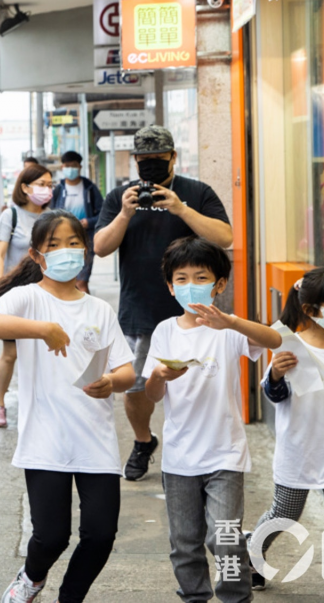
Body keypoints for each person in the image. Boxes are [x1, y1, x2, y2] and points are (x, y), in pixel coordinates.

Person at [0, 210, 136, 603]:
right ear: (37, 255)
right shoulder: (27, 298)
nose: (66, 251)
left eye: (74, 243)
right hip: (45, 438)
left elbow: (127, 372)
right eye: (54, 245)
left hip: (94, 438)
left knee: (100, 534)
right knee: (51, 535)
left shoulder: (99, 309)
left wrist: (111, 382)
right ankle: (31, 578)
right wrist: (41, 328)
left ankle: (70, 597)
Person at [142, 237, 281, 603]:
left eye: (200, 277)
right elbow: (153, 396)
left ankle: (235, 596)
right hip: (179, 457)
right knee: (185, 542)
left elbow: (274, 339)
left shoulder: (229, 329)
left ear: (219, 284)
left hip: (225, 454)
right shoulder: (165, 332)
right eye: (182, 279)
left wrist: (232, 321)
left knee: (225, 536)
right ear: (171, 287)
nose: (191, 286)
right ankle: (194, 596)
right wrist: (159, 376)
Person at [94, 125, 232, 481]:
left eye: (158, 159)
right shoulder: (120, 197)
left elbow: (225, 237)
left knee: (200, 382)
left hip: (196, 311)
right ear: (136, 161)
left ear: (173, 157)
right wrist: (125, 214)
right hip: (139, 310)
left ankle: (201, 447)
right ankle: (143, 441)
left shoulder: (196, 193)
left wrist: (182, 210)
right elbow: (100, 247)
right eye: (144, 161)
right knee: (136, 387)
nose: (151, 166)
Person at [249, 268, 324, 601]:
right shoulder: (288, 348)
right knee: (284, 514)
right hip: (298, 451)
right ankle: (251, 553)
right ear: (309, 309)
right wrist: (277, 376)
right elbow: (273, 395)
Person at [0, 163, 52, 428]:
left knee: (44, 350)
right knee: (11, 352)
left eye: (50, 185)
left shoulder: (53, 217)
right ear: (25, 187)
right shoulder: (10, 216)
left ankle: (42, 401)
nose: (46, 190)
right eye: (41, 184)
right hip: (15, 293)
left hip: (47, 293)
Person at [51, 151, 103, 294]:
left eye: (73, 165)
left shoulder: (89, 188)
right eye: (67, 165)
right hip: (61, 242)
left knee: (81, 283)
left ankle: (87, 314)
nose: (70, 169)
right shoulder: (58, 189)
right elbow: (50, 214)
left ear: (80, 167)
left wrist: (88, 222)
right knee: (64, 282)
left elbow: (102, 213)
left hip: (85, 241)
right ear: (62, 167)